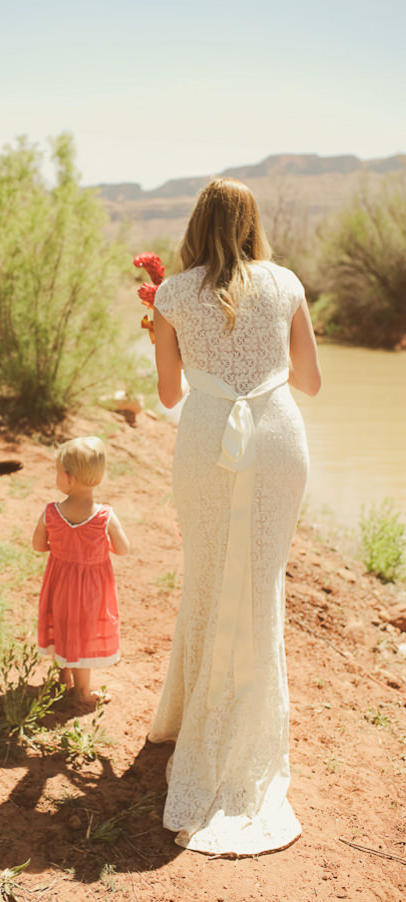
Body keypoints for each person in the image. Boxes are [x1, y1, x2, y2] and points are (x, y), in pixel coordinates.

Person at [147, 177, 321, 857]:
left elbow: (168, 392)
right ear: (252, 223)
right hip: (278, 438)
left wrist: (173, 340)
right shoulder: (285, 282)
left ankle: (197, 721)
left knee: (210, 576)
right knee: (260, 583)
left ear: (196, 222)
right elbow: (308, 383)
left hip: (206, 439)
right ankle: (239, 737)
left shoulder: (171, 293)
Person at [32, 436, 130, 706]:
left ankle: (64, 680)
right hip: (92, 591)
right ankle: (83, 692)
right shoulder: (105, 516)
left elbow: (38, 545)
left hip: (60, 584)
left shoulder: (51, 512)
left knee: (64, 626)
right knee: (82, 634)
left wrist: (63, 544)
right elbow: (123, 549)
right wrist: (99, 546)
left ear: (67, 477)